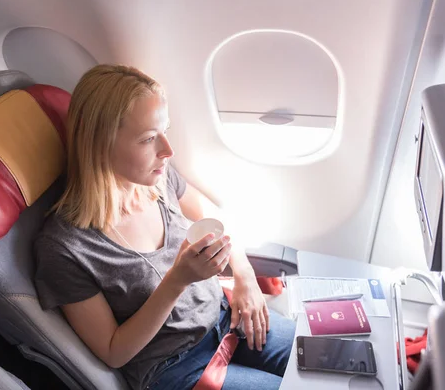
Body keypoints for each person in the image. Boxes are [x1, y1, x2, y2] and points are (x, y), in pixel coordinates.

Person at [34, 64, 296, 390]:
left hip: (223, 316)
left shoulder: (158, 182)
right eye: (148, 139)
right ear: (99, 143)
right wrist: (178, 280)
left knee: (327, 363)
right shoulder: (65, 248)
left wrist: (245, 278)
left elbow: (217, 218)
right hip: (175, 366)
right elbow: (114, 351)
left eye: (165, 131)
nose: (168, 151)